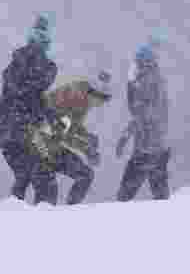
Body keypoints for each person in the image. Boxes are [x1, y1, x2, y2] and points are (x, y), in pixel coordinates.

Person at [0, 14, 59, 204]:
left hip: (6, 128)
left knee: (25, 175)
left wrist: (50, 116)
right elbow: (30, 90)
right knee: (44, 176)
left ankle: (14, 210)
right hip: (21, 128)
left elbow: (31, 94)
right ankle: (39, 216)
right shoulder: (34, 63)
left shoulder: (18, 62)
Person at [31, 71, 112, 204]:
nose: (101, 105)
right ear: (96, 94)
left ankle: (70, 212)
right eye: (103, 100)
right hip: (40, 144)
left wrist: (86, 137)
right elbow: (63, 133)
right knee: (48, 190)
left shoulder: (81, 96)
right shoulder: (75, 99)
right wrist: (86, 148)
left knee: (84, 175)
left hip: (49, 142)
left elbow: (70, 126)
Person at [116, 46, 172, 201]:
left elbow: (141, 114)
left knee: (124, 196)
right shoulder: (156, 80)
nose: (136, 66)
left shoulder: (147, 81)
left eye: (138, 63)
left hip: (146, 149)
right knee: (160, 194)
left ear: (144, 63)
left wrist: (125, 136)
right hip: (158, 147)